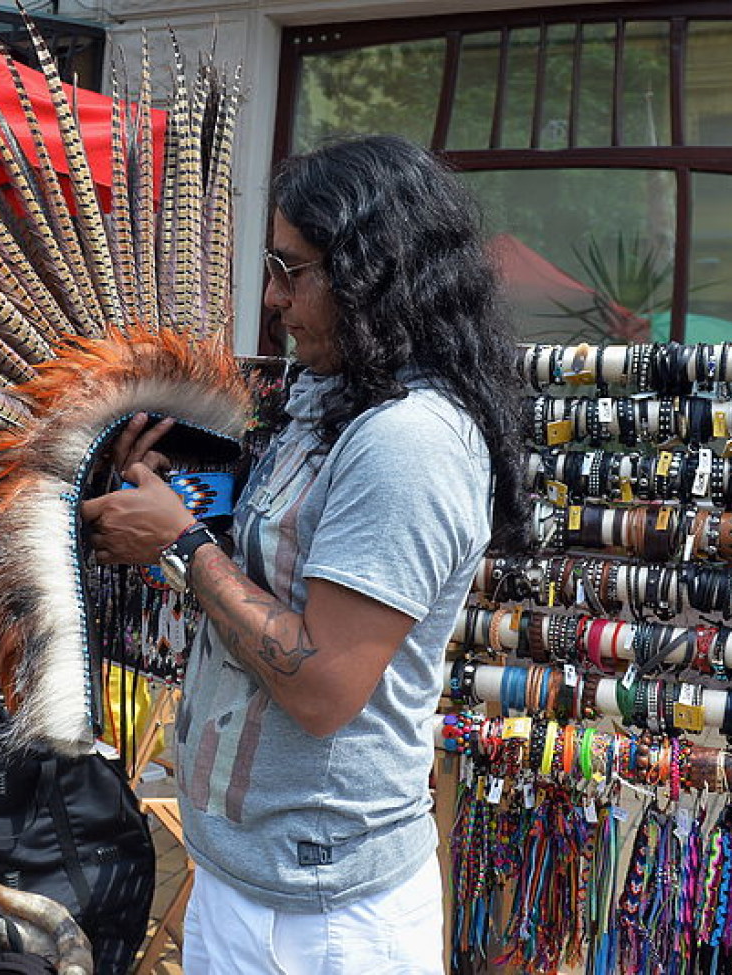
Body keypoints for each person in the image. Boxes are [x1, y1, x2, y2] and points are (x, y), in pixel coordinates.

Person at [82, 135, 527, 973]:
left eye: (295, 270)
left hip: (324, 915)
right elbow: (273, 551)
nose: (272, 297)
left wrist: (175, 541)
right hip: (249, 874)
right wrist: (169, 490)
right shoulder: (334, 396)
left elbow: (325, 687)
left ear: (373, 274)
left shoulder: (409, 443)